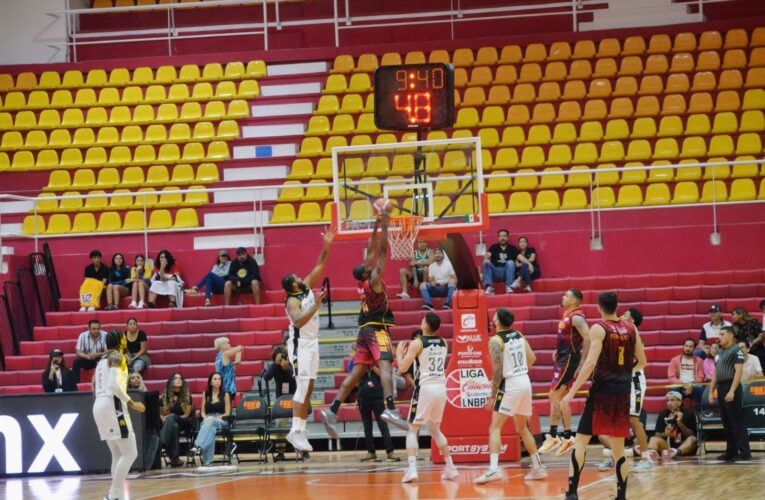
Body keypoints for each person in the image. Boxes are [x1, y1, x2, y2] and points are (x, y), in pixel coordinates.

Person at [321, 211, 407, 438]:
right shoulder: (375, 281)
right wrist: (386, 224)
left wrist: (376, 224)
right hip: (377, 329)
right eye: (368, 265)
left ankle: (333, 410)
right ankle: (390, 408)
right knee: (386, 365)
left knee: (357, 372)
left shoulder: (361, 283)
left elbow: (370, 248)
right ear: (367, 272)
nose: (369, 263)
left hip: (363, 331)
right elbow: (382, 252)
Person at [562, 291, 646, 500]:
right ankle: (621, 496)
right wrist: (623, 373)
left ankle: (572, 493)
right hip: (622, 392)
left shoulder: (599, 328)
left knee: (581, 441)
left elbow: (590, 362)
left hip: (601, 392)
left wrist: (571, 392)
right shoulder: (631, 328)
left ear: (599, 307)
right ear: (617, 306)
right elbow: (642, 362)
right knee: (618, 448)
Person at [475, 307, 546, 484]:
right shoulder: (519, 335)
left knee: (495, 428)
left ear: (497, 320)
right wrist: (519, 371)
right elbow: (532, 359)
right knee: (523, 428)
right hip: (524, 381)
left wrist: (492, 395)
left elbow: (497, 372)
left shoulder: (495, 340)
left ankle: (493, 470)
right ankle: (538, 468)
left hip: (511, 384)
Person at [282, 228, 334, 453]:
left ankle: (301, 431)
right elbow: (298, 322)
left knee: (310, 385)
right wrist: (317, 306)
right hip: (299, 345)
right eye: (297, 278)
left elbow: (320, 264)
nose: (301, 277)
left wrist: (327, 244)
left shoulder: (306, 288)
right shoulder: (292, 301)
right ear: (293, 285)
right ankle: (294, 430)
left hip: (313, 343)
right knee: (302, 386)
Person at [396, 313, 456, 483]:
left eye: (423, 320)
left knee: (412, 429)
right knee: (434, 429)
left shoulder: (417, 343)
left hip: (425, 387)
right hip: (441, 388)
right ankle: (450, 467)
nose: (421, 321)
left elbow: (402, 368)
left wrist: (399, 354)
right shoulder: (444, 342)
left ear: (426, 324)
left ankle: (412, 469)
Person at [596, 308, 653, 473]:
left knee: (634, 421)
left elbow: (639, 362)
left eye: (626, 314)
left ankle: (646, 458)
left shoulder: (634, 337)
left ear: (632, 321)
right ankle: (616, 457)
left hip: (633, 380)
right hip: (621, 380)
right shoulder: (620, 335)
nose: (622, 315)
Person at [92, 330, 145, 500]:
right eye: (123, 338)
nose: (125, 340)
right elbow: (114, 385)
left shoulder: (101, 360)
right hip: (112, 404)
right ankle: (112, 495)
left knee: (117, 453)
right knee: (130, 453)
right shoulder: (117, 357)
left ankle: (119, 497)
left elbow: (93, 384)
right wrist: (132, 402)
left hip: (99, 404)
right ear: (120, 341)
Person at [539, 289, 589, 456]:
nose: (562, 297)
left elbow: (588, 339)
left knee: (553, 395)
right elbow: (568, 337)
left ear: (574, 300)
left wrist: (582, 363)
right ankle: (568, 437)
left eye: (566, 295)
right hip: (563, 356)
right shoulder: (568, 314)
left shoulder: (577, 316)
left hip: (569, 359)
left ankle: (553, 436)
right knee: (561, 398)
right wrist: (558, 349)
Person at [709, 326, 750, 462]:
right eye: (719, 334)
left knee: (736, 421)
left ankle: (744, 452)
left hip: (731, 386)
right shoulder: (719, 352)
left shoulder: (736, 350)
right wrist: (711, 391)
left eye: (722, 334)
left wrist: (732, 390)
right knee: (726, 421)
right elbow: (715, 373)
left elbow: (738, 371)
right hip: (721, 387)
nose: (719, 336)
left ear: (731, 336)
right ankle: (731, 451)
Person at [357, 366, 399, 463]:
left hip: (378, 399)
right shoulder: (358, 364)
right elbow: (355, 382)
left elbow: (384, 376)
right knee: (367, 428)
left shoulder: (379, 363)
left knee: (383, 426)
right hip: (363, 399)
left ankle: (390, 452)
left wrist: (372, 366)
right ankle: (371, 452)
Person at [190, 372, 231, 467]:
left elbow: (228, 412)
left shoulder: (225, 395)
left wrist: (218, 417)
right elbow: (203, 412)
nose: (217, 381)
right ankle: (208, 461)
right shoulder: (206, 394)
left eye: (219, 379)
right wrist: (205, 418)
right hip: (207, 419)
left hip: (221, 420)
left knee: (211, 421)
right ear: (211, 382)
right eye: (215, 379)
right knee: (211, 428)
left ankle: (198, 446)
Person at [647, 391, 698, 461]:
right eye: (667, 401)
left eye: (672, 400)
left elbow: (692, 435)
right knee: (653, 439)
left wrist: (680, 423)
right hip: (667, 448)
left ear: (679, 402)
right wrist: (665, 434)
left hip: (684, 447)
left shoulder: (689, 414)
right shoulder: (663, 414)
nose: (669, 403)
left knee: (693, 440)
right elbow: (657, 434)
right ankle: (648, 456)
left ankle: (675, 452)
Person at [159, 372, 193, 467]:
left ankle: (162, 442)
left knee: (172, 417)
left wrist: (170, 417)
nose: (178, 380)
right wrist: (163, 417)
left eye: (180, 378)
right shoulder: (165, 396)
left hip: (183, 421)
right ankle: (175, 458)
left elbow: (186, 414)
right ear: (171, 382)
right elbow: (161, 414)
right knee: (174, 426)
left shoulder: (186, 395)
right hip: (171, 424)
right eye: (176, 378)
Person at [481, 229, 518, 294]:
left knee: (510, 262)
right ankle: (489, 287)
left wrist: (529, 263)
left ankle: (508, 286)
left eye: (504, 236)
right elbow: (488, 254)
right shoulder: (494, 247)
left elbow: (519, 257)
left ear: (508, 237)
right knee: (485, 262)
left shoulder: (513, 248)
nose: (502, 238)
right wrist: (486, 258)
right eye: (500, 236)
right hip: (495, 272)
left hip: (506, 273)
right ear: (498, 238)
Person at [214, 337, 243, 401]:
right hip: (227, 387)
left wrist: (237, 358)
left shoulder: (218, 356)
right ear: (222, 346)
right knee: (227, 409)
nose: (230, 344)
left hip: (222, 387)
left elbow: (237, 362)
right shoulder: (225, 354)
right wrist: (237, 350)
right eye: (228, 343)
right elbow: (240, 347)